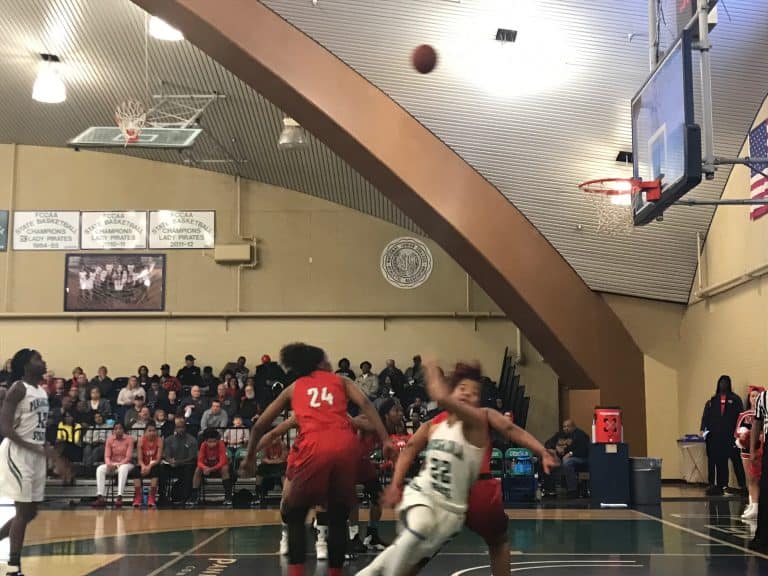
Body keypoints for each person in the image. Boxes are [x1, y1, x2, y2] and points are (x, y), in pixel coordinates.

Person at [240, 343, 394, 576]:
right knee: (338, 517)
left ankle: (296, 571)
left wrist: (250, 456)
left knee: (295, 514)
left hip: (314, 447)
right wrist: (386, 440)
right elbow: (366, 404)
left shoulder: (295, 387)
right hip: (345, 445)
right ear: (321, 363)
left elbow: (261, 425)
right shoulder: (342, 382)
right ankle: (334, 572)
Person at [385, 394, 557, 576]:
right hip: (479, 489)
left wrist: (395, 485)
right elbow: (510, 429)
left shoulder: (433, 423)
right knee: (498, 543)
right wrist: (542, 451)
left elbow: (410, 448)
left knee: (421, 549)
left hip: (447, 492)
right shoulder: (483, 414)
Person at [355, 360, 488, 576]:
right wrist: (395, 485)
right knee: (420, 527)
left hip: (451, 512)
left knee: (409, 557)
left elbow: (444, 399)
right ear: (453, 391)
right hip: (423, 494)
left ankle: (368, 573)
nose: (467, 395)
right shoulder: (434, 425)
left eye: (474, 393)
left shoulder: (478, 424)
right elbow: (408, 450)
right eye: (462, 389)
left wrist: (436, 383)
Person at [0, 349, 71, 576]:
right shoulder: (18, 388)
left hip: (36, 453)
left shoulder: (41, 391)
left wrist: (53, 454)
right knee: (22, 512)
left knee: (31, 513)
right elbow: (6, 429)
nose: (43, 361)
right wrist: (40, 451)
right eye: (37, 358)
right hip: (17, 453)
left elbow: (38, 430)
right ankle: (13, 567)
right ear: (25, 366)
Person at [701, 375, 746, 495]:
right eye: (721, 382)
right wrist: (705, 432)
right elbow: (705, 418)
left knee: (736, 461)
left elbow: (741, 417)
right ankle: (720, 485)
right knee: (719, 462)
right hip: (716, 438)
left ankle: (743, 486)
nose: (723, 384)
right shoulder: (712, 401)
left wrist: (740, 433)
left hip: (732, 437)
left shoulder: (735, 399)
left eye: (725, 382)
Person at [736, 387, 765, 520]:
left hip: (762, 448)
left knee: (758, 478)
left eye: (756, 396)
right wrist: (743, 435)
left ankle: (757, 505)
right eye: (751, 396)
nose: (754, 399)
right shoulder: (744, 415)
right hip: (747, 450)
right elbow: (736, 431)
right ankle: (752, 504)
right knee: (750, 478)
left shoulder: (764, 411)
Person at [543, 419, 590, 496]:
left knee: (568, 462)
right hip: (561, 457)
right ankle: (549, 490)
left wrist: (570, 454)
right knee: (546, 460)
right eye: (564, 426)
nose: (566, 428)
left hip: (579, 458)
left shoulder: (580, 434)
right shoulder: (559, 434)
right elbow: (547, 443)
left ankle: (572, 490)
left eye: (568, 426)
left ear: (574, 427)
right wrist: (554, 449)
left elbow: (584, 449)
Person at [93, 422, 135, 508]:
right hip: (112, 463)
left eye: (120, 428)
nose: (118, 430)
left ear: (123, 430)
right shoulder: (110, 439)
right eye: (116, 429)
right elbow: (107, 456)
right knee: (100, 469)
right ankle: (100, 496)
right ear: (113, 430)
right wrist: (109, 464)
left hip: (126, 464)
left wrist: (117, 465)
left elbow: (128, 457)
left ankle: (119, 496)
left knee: (123, 468)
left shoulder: (129, 439)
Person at [191, 428, 233, 506]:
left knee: (225, 468)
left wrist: (212, 469)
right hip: (207, 466)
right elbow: (200, 461)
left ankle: (228, 497)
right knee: (198, 469)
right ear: (206, 441)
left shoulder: (221, 444)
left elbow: (223, 461)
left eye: (214, 441)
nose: (212, 444)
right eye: (210, 442)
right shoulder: (203, 445)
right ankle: (194, 496)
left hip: (218, 466)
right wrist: (205, 468)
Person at [162, 416, 198, 505]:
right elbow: (167, 455)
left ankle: (185, 497)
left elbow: (192, 457)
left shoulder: (192, 440)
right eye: (178, 427)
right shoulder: (168, 440)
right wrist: (170, 460)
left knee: (190, 468)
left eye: (182, 427)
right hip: (172, 466)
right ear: (175, 428)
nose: (180, 429)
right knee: (161, 469)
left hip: (186, 465)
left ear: (185, 428)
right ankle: (162, 496)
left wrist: (178, 462)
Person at [750, 389, 768, 552]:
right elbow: (756, 422)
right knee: (766, 491)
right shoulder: (764, 397)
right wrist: (753, 448)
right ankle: (763, 537)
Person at [131, 422, 164, 508]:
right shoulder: (141, 440)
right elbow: (139, 459)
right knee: (135, 471)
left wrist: (149, 467)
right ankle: (138, 497)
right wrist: (143, 466)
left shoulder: (159, 440)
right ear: (145, 432)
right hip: (143, 464)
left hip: (154, 464)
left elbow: (158, 459)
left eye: (154, 431)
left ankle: (151, 497)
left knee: (156, 471)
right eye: (149, 430)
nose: (152, 432)